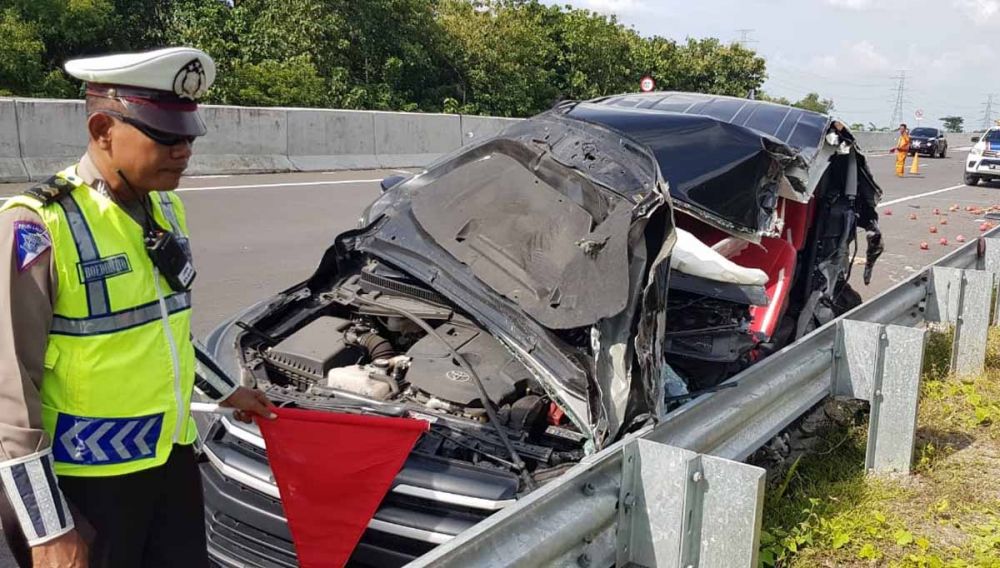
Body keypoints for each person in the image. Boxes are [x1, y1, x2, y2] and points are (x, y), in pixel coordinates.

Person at [0, 47, 276, 568]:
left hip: (171, 461)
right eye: (166, 136)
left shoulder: (168, 208)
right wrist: (46, 529)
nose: (184, 151)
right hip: (88, 484)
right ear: (104, 129)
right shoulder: (37, 227)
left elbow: (164, 330)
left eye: (189, 136)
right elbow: (7, 392)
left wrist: (227, 391)